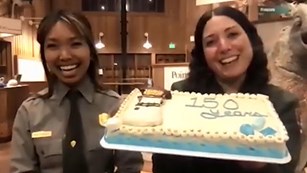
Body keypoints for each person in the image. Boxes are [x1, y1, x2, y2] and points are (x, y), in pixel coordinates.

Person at [152, 6, 301, 173]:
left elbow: (287, 168)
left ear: (251, 39)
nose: (223, 47)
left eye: (232, 35)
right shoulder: (181, 96)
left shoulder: (282, 104)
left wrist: (259, 166)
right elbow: (162, 165)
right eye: (210, 42)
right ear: (203, 55)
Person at [10, 10, 143, 173]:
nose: (65, 55)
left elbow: (130, 168)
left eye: (75, 44)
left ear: (90, 51)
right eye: (53, 46)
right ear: (44, 54)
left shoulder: (117, 108)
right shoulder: (29, 113)